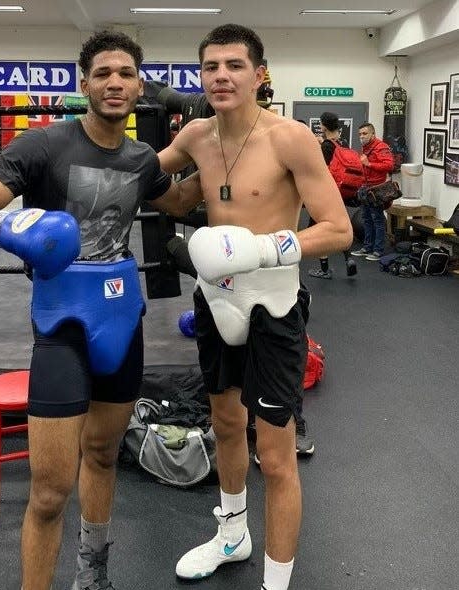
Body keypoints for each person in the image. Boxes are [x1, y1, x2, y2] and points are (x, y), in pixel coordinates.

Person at [0, 30, 203, 590]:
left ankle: (93, 576)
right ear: (83, 82)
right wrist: (10, 227)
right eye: (104, 73)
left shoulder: (141, 159)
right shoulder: (43, 146)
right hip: (62, 324)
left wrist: (216, 147)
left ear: (140, 86)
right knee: (48, 491)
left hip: (122, 320)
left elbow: (179, 201)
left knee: (105, 457)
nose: (116, 83)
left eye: (127, 74)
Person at [158, 24, 352, 590]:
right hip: (217, 300)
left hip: (272, 300)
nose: (222, 75)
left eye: (235, 65)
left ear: (258, 74)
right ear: (200, 76)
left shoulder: (290, 138)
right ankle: (232, 535)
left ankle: (276, 580)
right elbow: (165, 189)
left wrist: (264, 246)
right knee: (224, 424)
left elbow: (338, 229)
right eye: (211, 66)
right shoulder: (196, 136)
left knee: (275, 446)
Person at [307, 111, 358, 279]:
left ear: (323, 125)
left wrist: (317, 147)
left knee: (318, 228)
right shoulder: (342, 143)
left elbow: (318, 168)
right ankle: (348, 258)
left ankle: (324, 269)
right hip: (340, 191)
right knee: (340, 224)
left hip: (325, 192)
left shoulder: (326, 147)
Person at [351, 122, 395, 260]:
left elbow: (389, 165)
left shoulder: (381, 147)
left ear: (373, 134)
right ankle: (367, 247)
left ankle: (378, 250)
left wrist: (369, 164)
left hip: (376, 189)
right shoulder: (365, 147)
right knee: (366, 219)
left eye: (364, 133)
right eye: (360, 134)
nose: (361, 136)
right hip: (365, 187)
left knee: (377, 220)